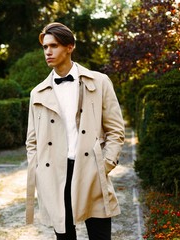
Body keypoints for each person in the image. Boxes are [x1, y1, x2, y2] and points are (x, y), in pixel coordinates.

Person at [25, 22, 125, 240]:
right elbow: (31, 141)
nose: (48, 52)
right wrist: (40, 173)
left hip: (90, 168)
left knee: (100, 236)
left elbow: (116, 131)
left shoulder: (99, 82)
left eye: (54, 46)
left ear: (69, 47)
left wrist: (104, 164)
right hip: (55, 173)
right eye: (45, 47)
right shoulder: (37, 93)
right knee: (64, 237)